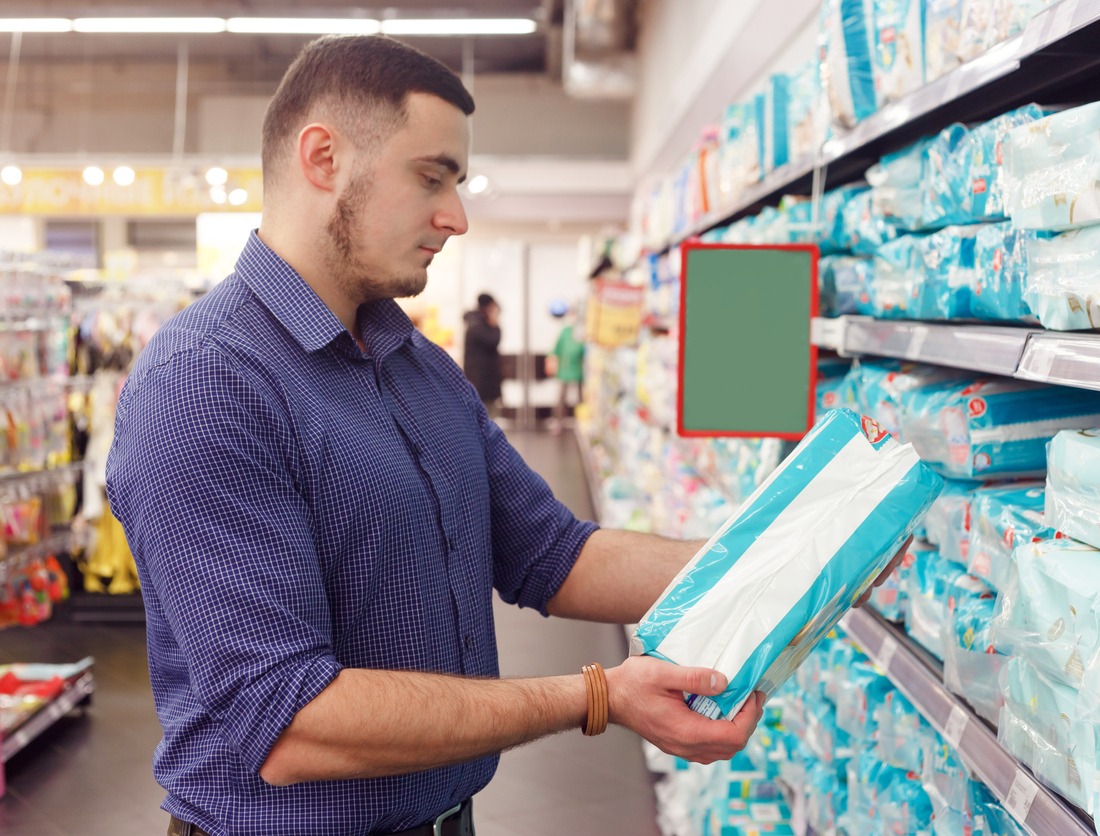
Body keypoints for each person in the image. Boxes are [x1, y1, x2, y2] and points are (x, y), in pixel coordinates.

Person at [105, 34, 901, 836]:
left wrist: (796, 559)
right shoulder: (205, 385)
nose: (455, 216)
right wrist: (595, 695)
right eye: (432, 178)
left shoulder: (417, 364)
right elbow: (290, 721)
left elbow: (551, 553)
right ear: (323, 158)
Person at [544, 299, 584, 434]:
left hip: (578, 368)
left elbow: (583, 349)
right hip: (565, 368)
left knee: (581, 398)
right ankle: (558, 421)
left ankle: (582, 421)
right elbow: (557, 349)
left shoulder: (581, 332)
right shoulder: (565, 331)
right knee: (562, 397)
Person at [462, 292, 503, 418]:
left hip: (481, 379)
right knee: (486, 417)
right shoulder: (479, 325)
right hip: (482, 380)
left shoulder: (474, 322)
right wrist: (495, 324)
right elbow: (493, 340)